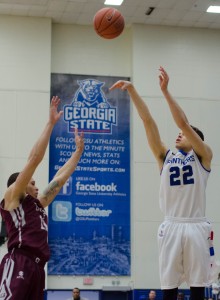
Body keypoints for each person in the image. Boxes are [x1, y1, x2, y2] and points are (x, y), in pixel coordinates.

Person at [109, 67, 217, 300]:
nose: (178, 135)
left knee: (198, 288)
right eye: (177, 133)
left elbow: (184, 122)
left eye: (184, 134)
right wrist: (133, 91)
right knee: (168, 289)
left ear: (196, 140)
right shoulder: (164, 156)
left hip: (196, 225)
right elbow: (148, 121)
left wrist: (166, 92)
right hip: (171, 225)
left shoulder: (204, 156)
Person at [0, 96, 84, 300]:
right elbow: (35, 158)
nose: (37, 187)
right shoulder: (13, 197)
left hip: (38, 268)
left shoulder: (37, 205)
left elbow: (60, 179)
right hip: (19, 260)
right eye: (33, 183)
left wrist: (78, 153)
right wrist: (50, 124)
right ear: (19, 182)